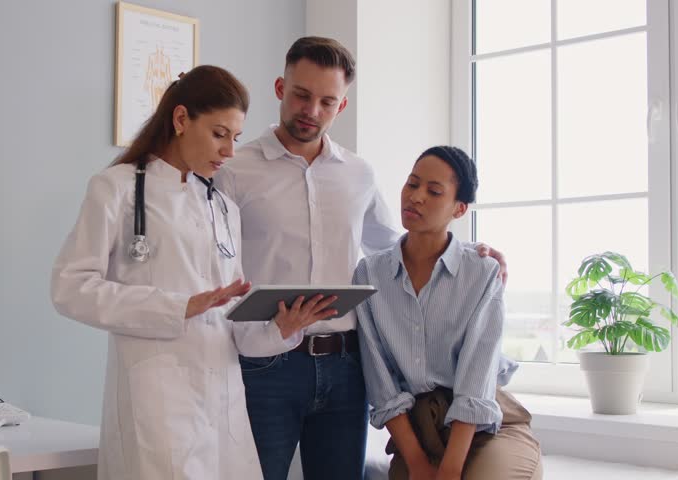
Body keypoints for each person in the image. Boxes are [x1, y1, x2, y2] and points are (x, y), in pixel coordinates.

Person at [216, 37, 508, 480]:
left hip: (346, 366)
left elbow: (396, 244)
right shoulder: (235, 169)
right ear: (279, 87)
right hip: (267, 363)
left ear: (342, 105)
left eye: (326, 101)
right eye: (301, 95)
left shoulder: (358, 173)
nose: (311, 110)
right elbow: (216, 262)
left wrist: (470, 253)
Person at [50, 65, 338, 480]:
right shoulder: (115, 189)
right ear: (181, 119)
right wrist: (178, 306)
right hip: (158, 401)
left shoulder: (223, 208)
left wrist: (280, 328)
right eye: (219, 134)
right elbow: (70, 287)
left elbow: (233, 322)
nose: (229, 151)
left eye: (235, 138)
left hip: (223, 403)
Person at [353, 146, 542, 480]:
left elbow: (475, 380)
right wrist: (417, 463)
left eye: (434, 191)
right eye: (412, 184)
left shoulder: (482, 272)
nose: (416, 197)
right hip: (419, 434)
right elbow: (380, 382)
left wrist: (451, 469)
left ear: (460, 208)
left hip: (487, 429)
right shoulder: (369, 274)